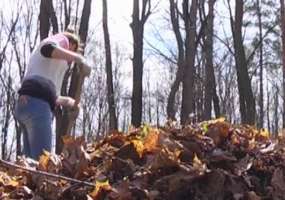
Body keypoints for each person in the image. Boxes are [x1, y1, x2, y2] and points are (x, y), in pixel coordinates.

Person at [14, 31, 90, 160]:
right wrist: (79, 59)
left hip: (26, 104)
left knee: (31, 164)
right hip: (38, 104)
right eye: (73, 49)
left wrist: (72, 103)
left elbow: (54, 97)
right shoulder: (62, 41)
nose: (71, 55)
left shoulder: (50, 67)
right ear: (71, 43)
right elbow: (47, 48)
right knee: (44, 161)